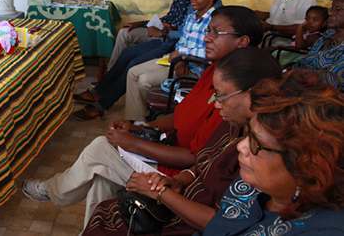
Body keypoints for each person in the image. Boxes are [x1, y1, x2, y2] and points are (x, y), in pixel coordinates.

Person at [22, 6, 264, 226]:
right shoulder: (216, 70)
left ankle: (54, 191)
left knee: (100, 149)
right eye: (208, 30)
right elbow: (180, 115)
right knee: (101, 177)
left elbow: (195, 159)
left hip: (171, 175)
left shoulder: (233, 99)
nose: (207, 37)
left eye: (216, 32)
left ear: (242, 41)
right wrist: (140, 126)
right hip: (169, 150)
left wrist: (134, 143)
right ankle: (94, 229)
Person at [80, 47, 283, 236]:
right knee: (103, 192)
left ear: (252, 95)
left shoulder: (266, 151)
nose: (217, 104)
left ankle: (52, 193)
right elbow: (203, 162)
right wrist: (179, 181)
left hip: (187, 220)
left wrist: (161, 193)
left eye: (221, 96)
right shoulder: (233, 123)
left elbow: (221, 223)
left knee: (101, 157)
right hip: (183, 193)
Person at [199, 69, 344, 235]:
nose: (241, 147)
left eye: (257, 144)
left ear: (305, 165)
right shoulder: (254, 182)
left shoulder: (323, 231)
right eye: (249, 134)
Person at [73, 0, 220, 121]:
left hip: (184, 59)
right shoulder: (191, 13)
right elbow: (180, 34)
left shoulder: (216, 19)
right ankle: (125, 113)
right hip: (174, 52)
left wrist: (172, 43)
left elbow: (211, 50)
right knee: (128, 54)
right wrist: (145, 25)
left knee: (135, 67)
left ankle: (118, 111)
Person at [122, 0, 222, 122]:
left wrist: (181, 53)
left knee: (144, 80)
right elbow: (182, 41)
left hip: (196, 70)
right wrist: (180, 58)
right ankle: (137, 120)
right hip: (179, 62)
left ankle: (143, 121)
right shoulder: (192, 17)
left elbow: (214, 52)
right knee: (132, 72)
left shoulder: (216, 20)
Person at [107, 0, 215, 70]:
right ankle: (109, 74)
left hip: (168, 40)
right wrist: (141, 23)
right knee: (124, 32)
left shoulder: (207, 9)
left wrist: (163, 32)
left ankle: (110, 79)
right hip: (165, 34)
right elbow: (171, 18)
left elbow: (182, 34)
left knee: (132, 60)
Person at [294, 0, 344, 87]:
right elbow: (304, 62)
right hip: (305, 86)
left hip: (330, 97)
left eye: (338, 9)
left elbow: (333, 80)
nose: (330, 13)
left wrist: (299, 78)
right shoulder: (328, 35)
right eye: (331, 8)